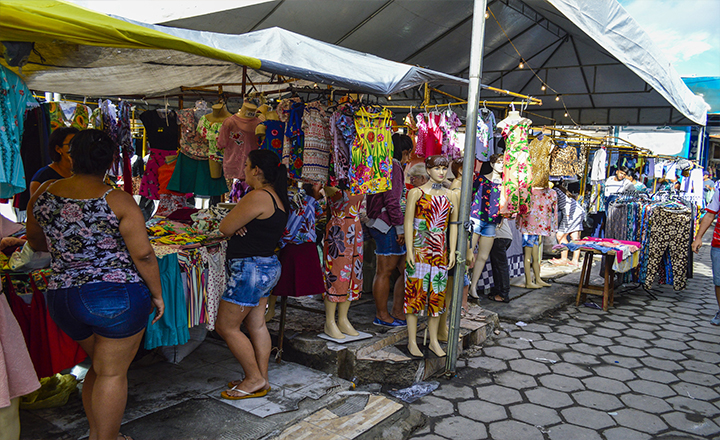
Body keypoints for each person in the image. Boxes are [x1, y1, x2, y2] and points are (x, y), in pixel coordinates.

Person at [25, 129, 164, 440]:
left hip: (62, 296)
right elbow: (142, 254)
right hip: (114, 297)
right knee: (112, 373)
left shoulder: (45, 192)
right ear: (110, 161)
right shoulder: (117, 199)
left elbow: (35, 240)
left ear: (72, 156)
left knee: (100, 369)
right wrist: (157, 294)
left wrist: (71, 254)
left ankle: (99, 434)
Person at [217, 149, 288, 399]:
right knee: (256, 324)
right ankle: (262, 380)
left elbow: (225, 227)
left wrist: (237, 226)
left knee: (226, 326)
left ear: (257, 170)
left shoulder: (257, 196)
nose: (244, 170)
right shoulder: (277, 197)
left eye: (246, 166)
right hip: (267, 266)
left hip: (251, 269)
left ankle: (253, 377)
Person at [367, 133, 412, 327]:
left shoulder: (383, 164)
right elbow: (392, 200)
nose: (409, 159)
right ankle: (382, 315)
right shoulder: (393, 166)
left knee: (403, 269)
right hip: (387, 225)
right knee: (385, 271)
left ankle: (396, 311)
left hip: (383, 222)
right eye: (408, 154)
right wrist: (400, 228)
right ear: (403, 152)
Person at [692, 188, 720, 325]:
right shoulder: (719, 191)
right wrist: (698, 238)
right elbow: (710, 215)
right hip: (719, 243)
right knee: (719, 281)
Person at [28, 127, 79, 196]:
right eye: (71, 145)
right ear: (58, 149)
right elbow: (35, 205)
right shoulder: (42, 178)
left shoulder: (86, 174)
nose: (77, 148)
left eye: (79, 144)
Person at [553, 184, 586, 266]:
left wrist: (567, 216)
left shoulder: (555, 191)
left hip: (571, 214)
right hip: (578, 212)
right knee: (575, 237)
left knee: (560, 235)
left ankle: (563, 259)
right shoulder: (561, 190)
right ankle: (575, 260)